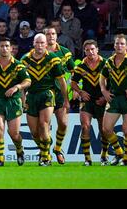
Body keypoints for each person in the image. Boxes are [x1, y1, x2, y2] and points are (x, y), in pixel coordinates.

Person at [0, 37, 31, 166]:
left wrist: (16, 87)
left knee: (14, 134)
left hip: (14, 101)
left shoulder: (18, 65)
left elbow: (28, 81)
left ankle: (19, 150)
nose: (4, 48)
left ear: (11, 48)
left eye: (7, 46)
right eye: (2, 46)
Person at [20, 33, 68, 166]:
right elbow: (21, 82)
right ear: (33, 44)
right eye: (37, 43)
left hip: (47, 93)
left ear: (46, 44)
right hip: (31, 95)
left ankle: (46, 158)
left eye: (42, 43)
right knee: (35, 132)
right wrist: (23, 99)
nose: (40, 45)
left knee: (43, 124)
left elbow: (62, 81)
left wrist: (66, 99)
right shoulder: (25, 60)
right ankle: (46, 147)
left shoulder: (53, 59)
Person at [99, 34, 127, 166]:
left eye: (122, 44)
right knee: (106, 129)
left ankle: (126, 159)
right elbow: (102, 77)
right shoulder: (109, 61)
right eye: (117, 43)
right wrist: (104, 91)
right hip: (113, 98)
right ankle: (119, 152)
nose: (119, 46)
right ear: (114, 45)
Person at [71, 39, 108, 166]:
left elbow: (114, 82)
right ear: (84, 51)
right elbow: (73, 83)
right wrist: (81, 92)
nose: (90, 52)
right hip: (87, 100)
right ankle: (87, 158)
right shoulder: (80, 66)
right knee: (85, 127)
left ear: (97, 49)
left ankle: (104, 156)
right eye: (87, 50)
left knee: (103, 129)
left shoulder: (106, 64)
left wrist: (105, 96)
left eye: (92, 49)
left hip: (102, 100)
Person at [44, 26, 75, 164]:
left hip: (61, 93)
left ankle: (57, 148)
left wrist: (74, 89)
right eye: (48, 34)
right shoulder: (39, 53)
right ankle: (45, 153)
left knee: (63, 123)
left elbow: (74, 71)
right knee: (46, 125)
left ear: (57, 36)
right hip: (45, 93)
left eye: (53, 34)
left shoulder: (65, 52)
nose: (51, 36)